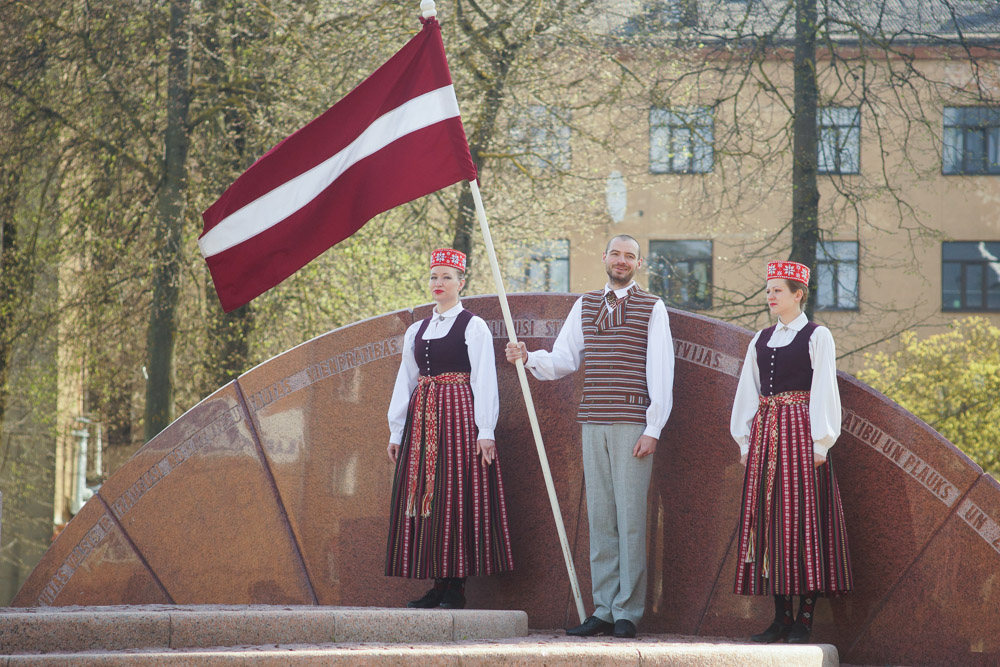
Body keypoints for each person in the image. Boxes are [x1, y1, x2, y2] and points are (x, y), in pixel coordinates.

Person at [505, 235, 674, 639]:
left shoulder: (653, 307)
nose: (621, 260)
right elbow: (564, 359)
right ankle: (603, 608)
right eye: (615, 254)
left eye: (629, 256)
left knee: (630, 519)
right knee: (600, 518)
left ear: (638, 263)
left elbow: (662, 370)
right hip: (593, 420)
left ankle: (627, 613)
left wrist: (654, 427)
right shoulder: (585, 304)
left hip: (633, 422)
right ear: (604, 258)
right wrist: (529, 358)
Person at [730, 260, 853, 644]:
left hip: (801, 433)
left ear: (798, 295)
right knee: (769, 520)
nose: (770, 295)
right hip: (767, 436)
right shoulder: (760, 338)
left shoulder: (818, 335)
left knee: (802, 521)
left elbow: (824, 390)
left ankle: (804, 617)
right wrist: (745, 441)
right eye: (768, 290)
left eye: (777, 290)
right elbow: (748, 391)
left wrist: (821, 442)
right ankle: (780, 617)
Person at [385, 248, 513, 609]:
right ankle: (438, 582)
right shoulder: (417, 329)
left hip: (458, 414)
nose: (438, 283)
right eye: (433, 277)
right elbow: (406, 381)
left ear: (461, 282)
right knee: (427, 491)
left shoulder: (473, 325)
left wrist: (485, 429)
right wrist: (397, 431)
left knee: (455, 491)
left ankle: (456, 583)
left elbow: (485, 379)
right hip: (423, 417)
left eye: (446, 277)